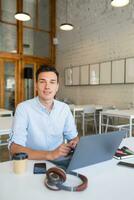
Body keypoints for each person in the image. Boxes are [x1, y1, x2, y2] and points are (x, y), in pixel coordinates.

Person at [9, 65, 79, 160]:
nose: (47, 87)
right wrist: (50, 154)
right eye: (42, 82)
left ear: (57, 87)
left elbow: (74, 137)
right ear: (36, 85)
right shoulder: (23, 108)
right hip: (32, 162)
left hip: (59, 162)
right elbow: (15, 148)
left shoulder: (64, 108)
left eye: (52, 82)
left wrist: (74, 143)